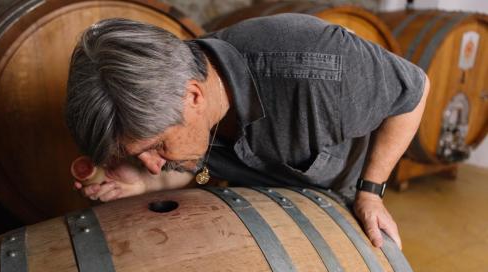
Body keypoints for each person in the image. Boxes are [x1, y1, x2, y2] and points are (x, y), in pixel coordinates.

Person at [66, 14, 430, 250]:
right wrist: (142, 183)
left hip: (341, 199)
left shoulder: (320, 69)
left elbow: (415, 91)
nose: (154, 164)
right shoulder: (175, 97)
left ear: (194, 95)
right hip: (263, 208)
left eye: (157, 147)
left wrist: (372, 191)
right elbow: (197, 168)